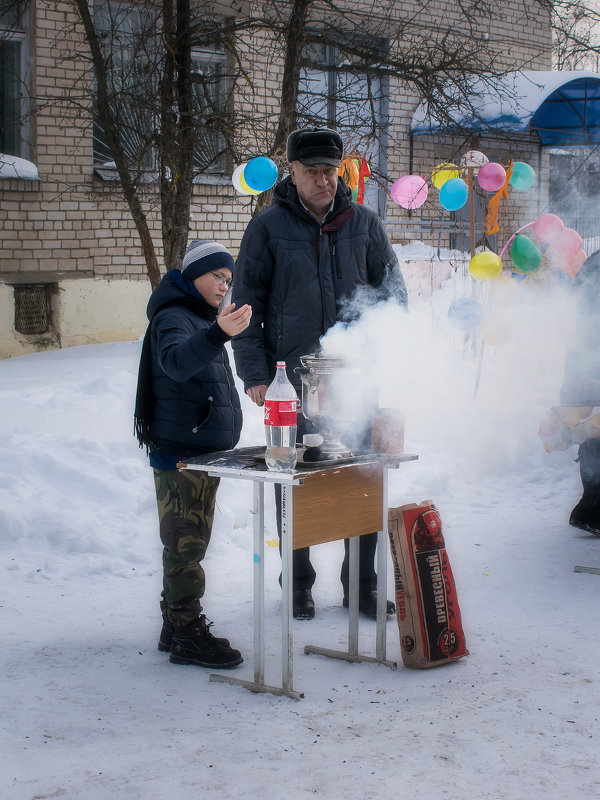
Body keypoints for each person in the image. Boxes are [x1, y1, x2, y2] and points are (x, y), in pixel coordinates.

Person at [231, 127, 408, 619]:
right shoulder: (267, 228)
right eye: (312, 172)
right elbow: (247, 306)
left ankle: (363, 586)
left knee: (363, 474)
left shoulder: (365, 224)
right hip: (293, 384)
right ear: (292, 172)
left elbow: (393, 295)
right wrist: (256, 376)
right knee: (293, 480)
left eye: (329, 171)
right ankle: (298, 584)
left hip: (356, 381)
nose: (323, 181)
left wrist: (385, 351)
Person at [134, 239, 253, 667]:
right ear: (193, 275)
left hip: (198, 453)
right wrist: (220, 333)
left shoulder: (198, 318)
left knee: (189, 543)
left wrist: (216, 329)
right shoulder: (174, 318)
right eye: (217, 277)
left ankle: (173, 625)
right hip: (180, 454)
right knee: (185, 546)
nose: (224, 286)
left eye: (229, 280)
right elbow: (177, 364)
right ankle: (187, 633)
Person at [560, 248, 600, 536]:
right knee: (592, 431)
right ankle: (591, 510)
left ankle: (591, 509)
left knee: (592, 431)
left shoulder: (595, 261)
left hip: (583, 361)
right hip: (590, 362)